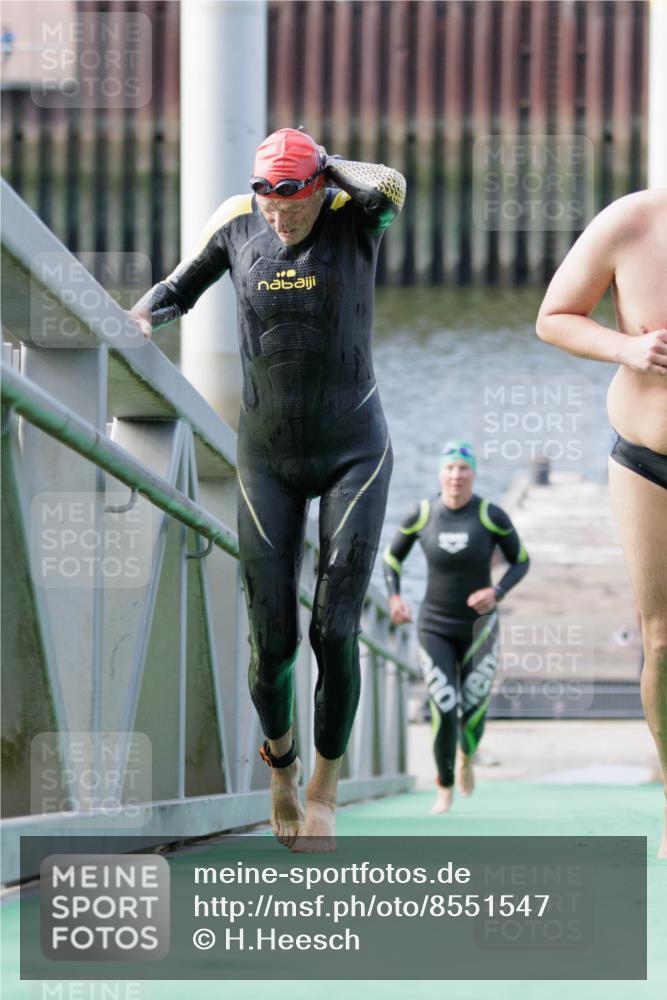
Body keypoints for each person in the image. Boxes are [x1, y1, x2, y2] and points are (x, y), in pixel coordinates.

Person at [129, 127, 405, 851]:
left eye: (292, 199)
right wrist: (136, 317)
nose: (279, 217)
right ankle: (279, 769)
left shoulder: (355, 221)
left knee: (334, 629)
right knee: (273, 642)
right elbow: (176, 290)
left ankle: (324, 787)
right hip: (266, 460)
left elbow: (391, 182)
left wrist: (322, 167)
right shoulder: (239, 228)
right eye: (267, 199)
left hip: (354, 451)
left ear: (317, 188)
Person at [536, 188, 667, 857]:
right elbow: (554, 318)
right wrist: (626, 348)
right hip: (646, 458)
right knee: (661, 638)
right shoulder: (631, 222)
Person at [384, 440, 529, 813]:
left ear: (473, 474)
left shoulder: (489, 515)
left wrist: (496, 591)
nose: (456, 476)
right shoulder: (422, 514)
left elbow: (521, 561)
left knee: (474, 711)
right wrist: (395, 597)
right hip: (435, 627)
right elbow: (391, 559)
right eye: (449, 468)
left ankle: (468, 754)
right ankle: (444, 786)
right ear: (440, 474)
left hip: (480, 629)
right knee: (445, 705)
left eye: (463, 468)